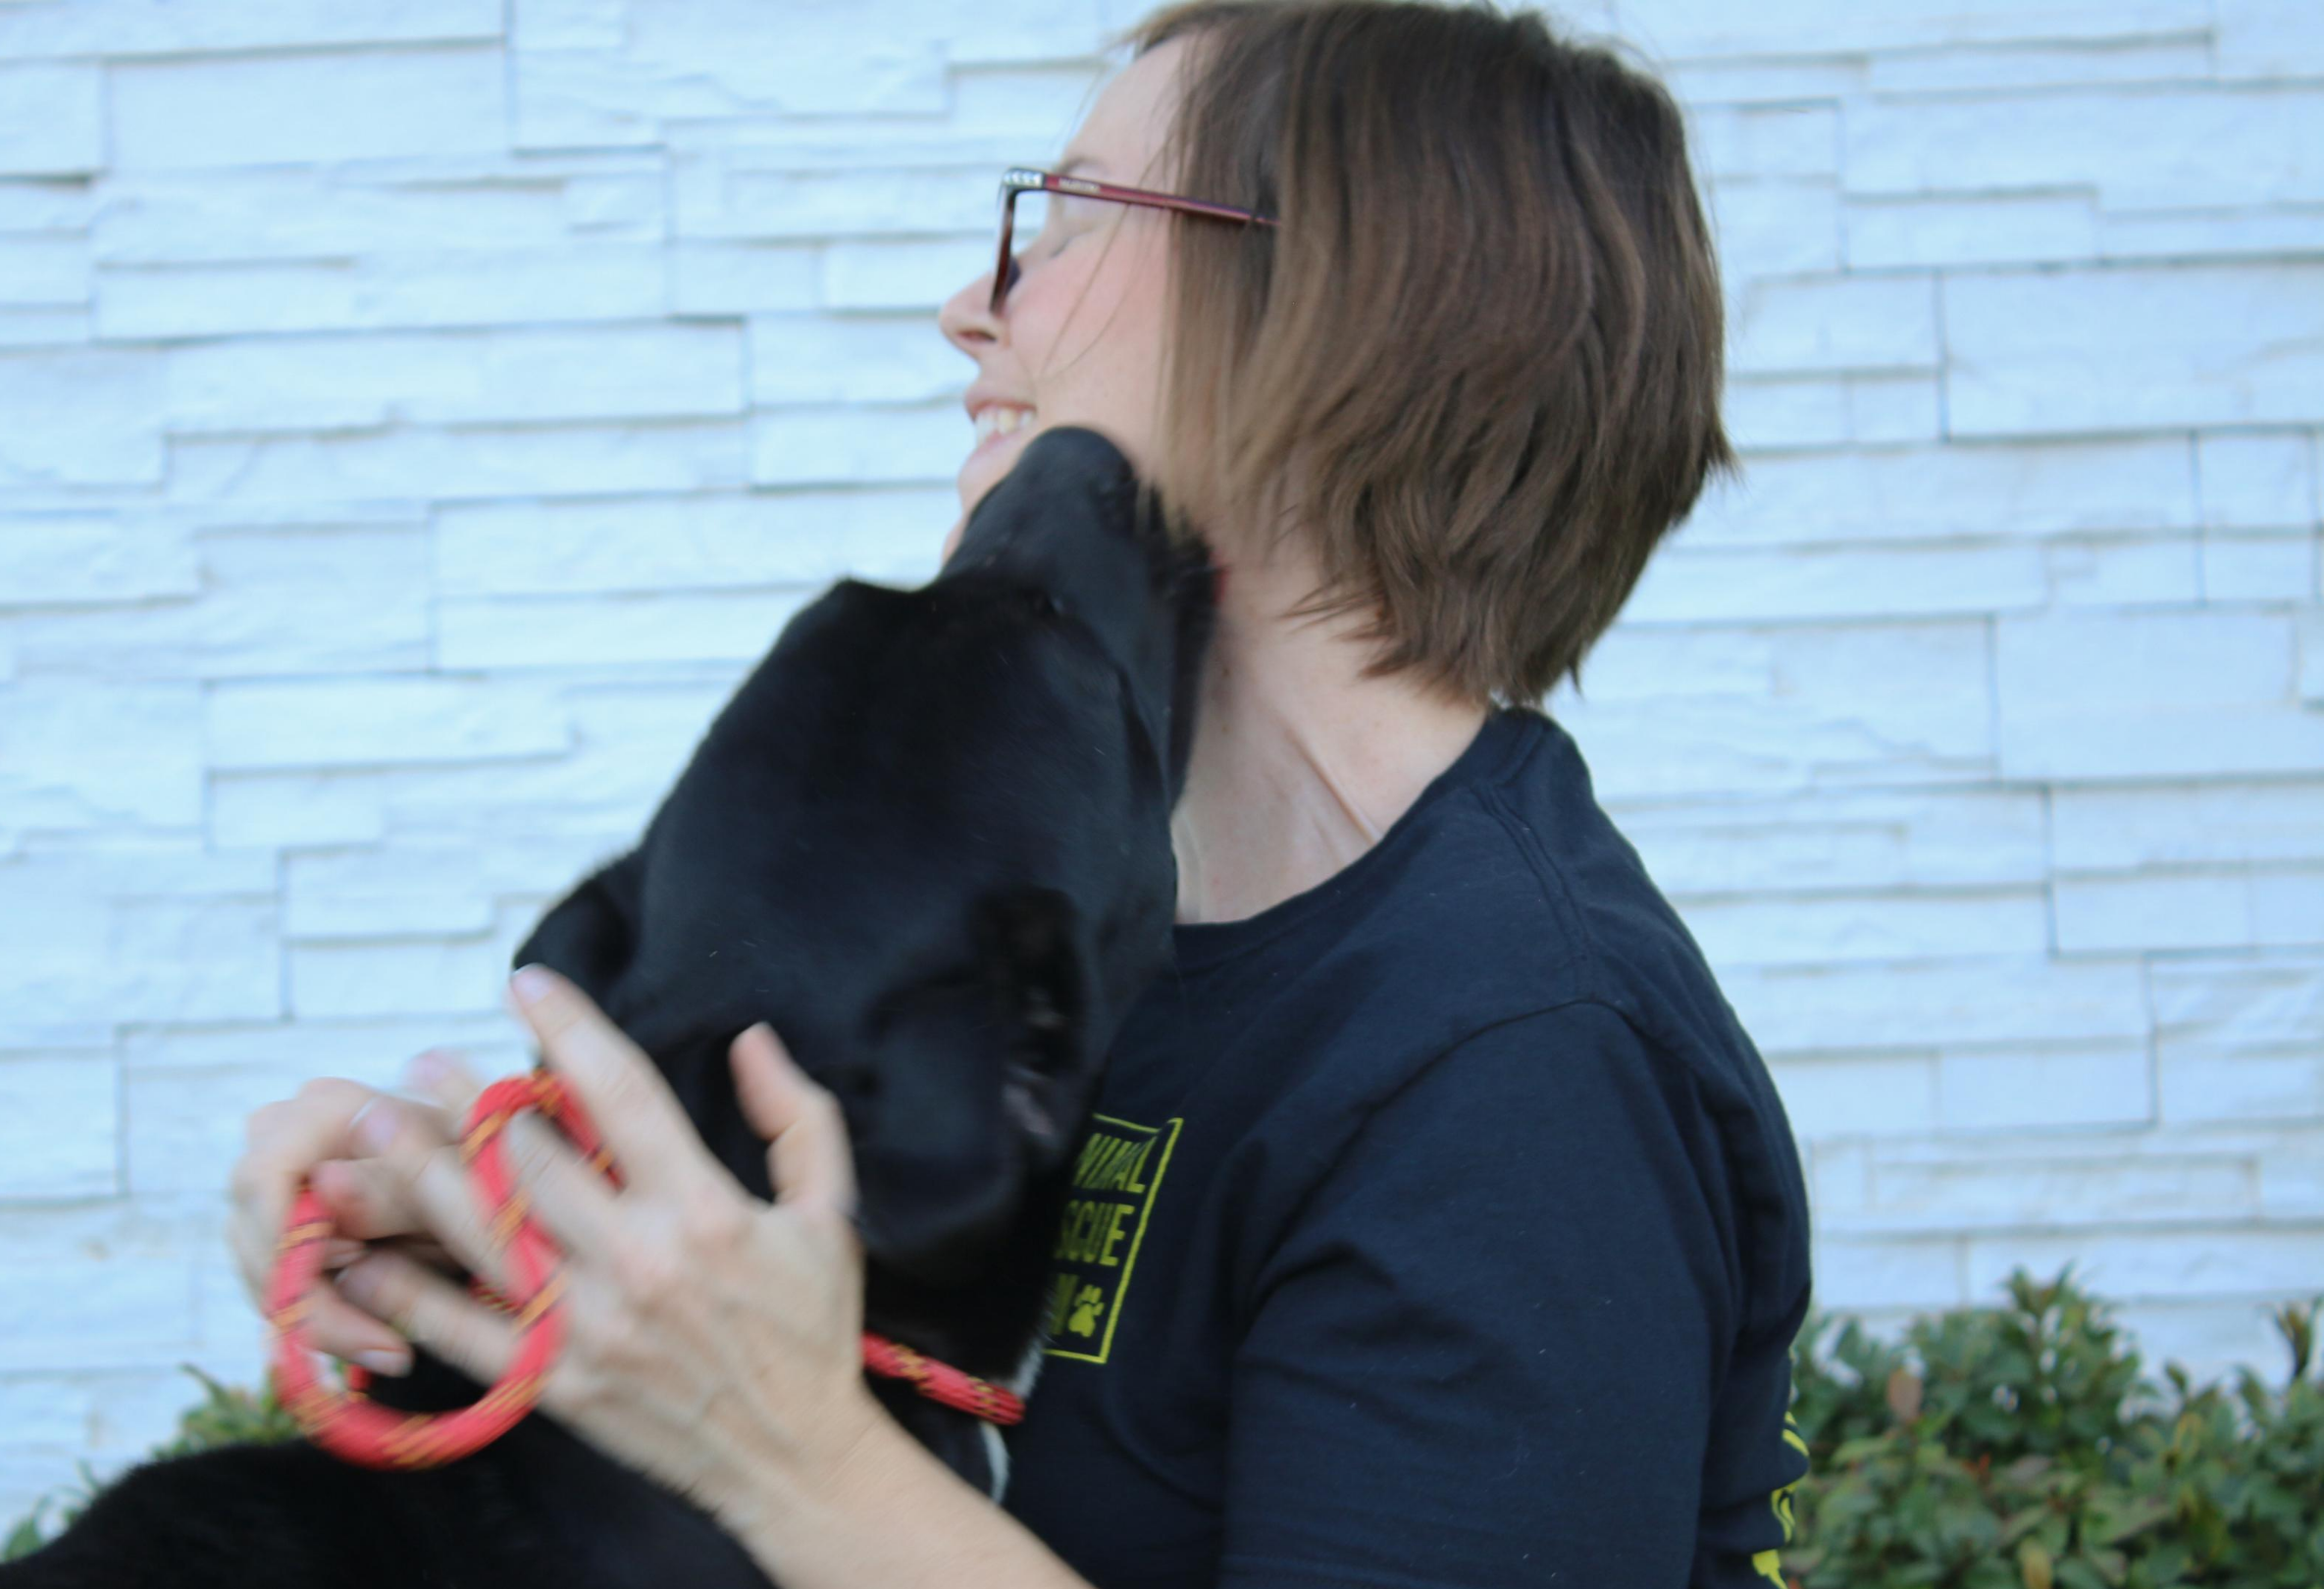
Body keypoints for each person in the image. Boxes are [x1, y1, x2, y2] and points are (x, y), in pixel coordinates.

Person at [224, 2, 1815, 1585]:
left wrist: (790, 1452)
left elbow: (801, 1441)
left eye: (1068, 220)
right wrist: (498, 1245)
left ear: (1337, 302)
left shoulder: (1521, 1071)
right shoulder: (1110, 919)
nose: (970, 306)